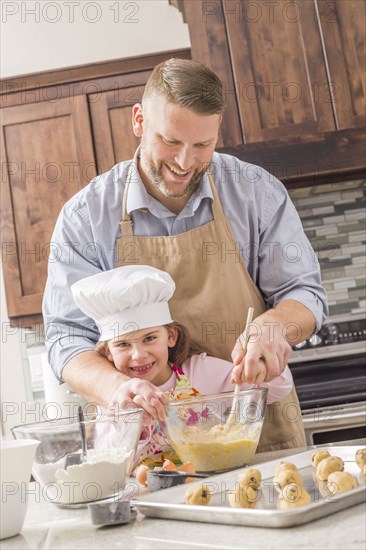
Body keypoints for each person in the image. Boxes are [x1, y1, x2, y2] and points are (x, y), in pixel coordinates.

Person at [42, 58, 328, 452]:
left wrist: (275, 325)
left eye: (202, 145)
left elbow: (305, 293)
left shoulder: (255, 192)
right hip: (147, 444)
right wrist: (119, 388)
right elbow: (66, 337)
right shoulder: (85, 216)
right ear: (139, 121)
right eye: (171, 141)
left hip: (257, 431)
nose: (184, 162)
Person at [71, 264, 294, 466]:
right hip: (150, 502)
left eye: (149, 338)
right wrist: (131, 426)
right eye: (123, 344)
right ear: (108, 352)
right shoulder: (113, 403)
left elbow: (278, 388)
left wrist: (260, 361)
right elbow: (110, 466)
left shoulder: (202, 372)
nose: (138, 355)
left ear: (171, 336)